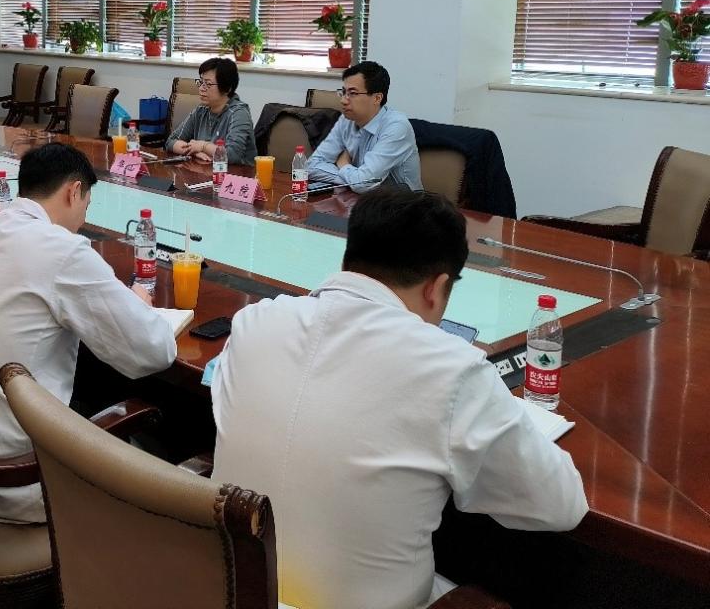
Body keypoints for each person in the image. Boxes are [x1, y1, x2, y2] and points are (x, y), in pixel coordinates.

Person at [211, 190, 587, 609]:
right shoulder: (451, 369)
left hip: (228, 590)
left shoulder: (253, 323)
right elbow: (562, 505)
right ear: (437, 288)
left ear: (349, 258)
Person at [0, 143, 178, 523]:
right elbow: (154, 351)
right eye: (86, 207)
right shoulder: (63, 250)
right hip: (17, 477)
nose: (81, 220)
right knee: (155, 448)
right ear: (73, 191)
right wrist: (138, 305)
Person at [306, 60, 422, 192]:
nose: (343, 100)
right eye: (343, 92)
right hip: (359, 198)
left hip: (402, 202)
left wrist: (343, 165)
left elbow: (364, 184)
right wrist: (353, 178)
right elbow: (311, 166)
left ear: (377, 98)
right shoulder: (346, 120)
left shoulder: (397, 127)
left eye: (353, 93)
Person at [166, 57, 257, 165]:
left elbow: (232, 155)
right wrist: (194, 151)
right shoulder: (201, 111)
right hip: (206, 172)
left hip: (235, 174)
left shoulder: (239, 113)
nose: (201, 88)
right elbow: (171, 141)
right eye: (201, 82)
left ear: (227, 88)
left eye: (208, 84)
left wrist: (203, 146)